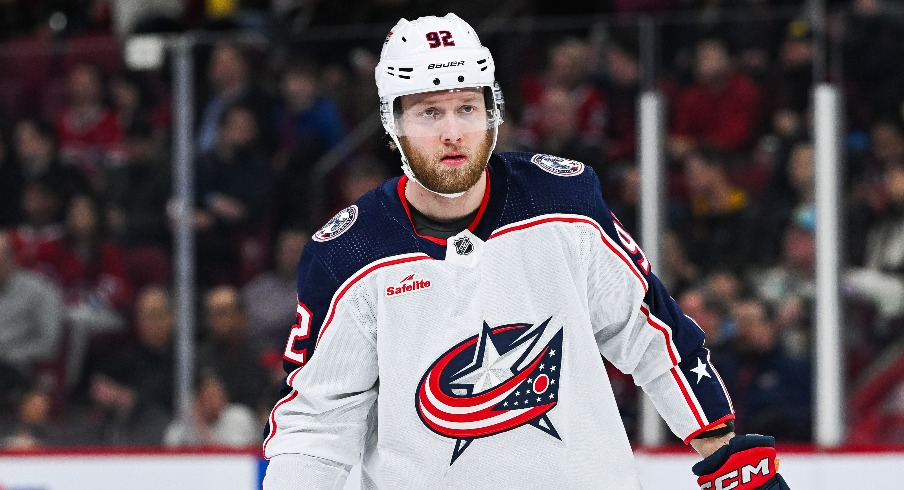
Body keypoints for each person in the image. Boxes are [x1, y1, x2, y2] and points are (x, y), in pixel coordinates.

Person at [263, 14, 788, 490]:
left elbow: (649, 330)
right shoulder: (349, 253)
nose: (452, 133)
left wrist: (725, 455)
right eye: (429, 113)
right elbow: (317, 423)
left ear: (492, 113)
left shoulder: (564, 202)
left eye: (467, 107)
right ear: (392, 123)